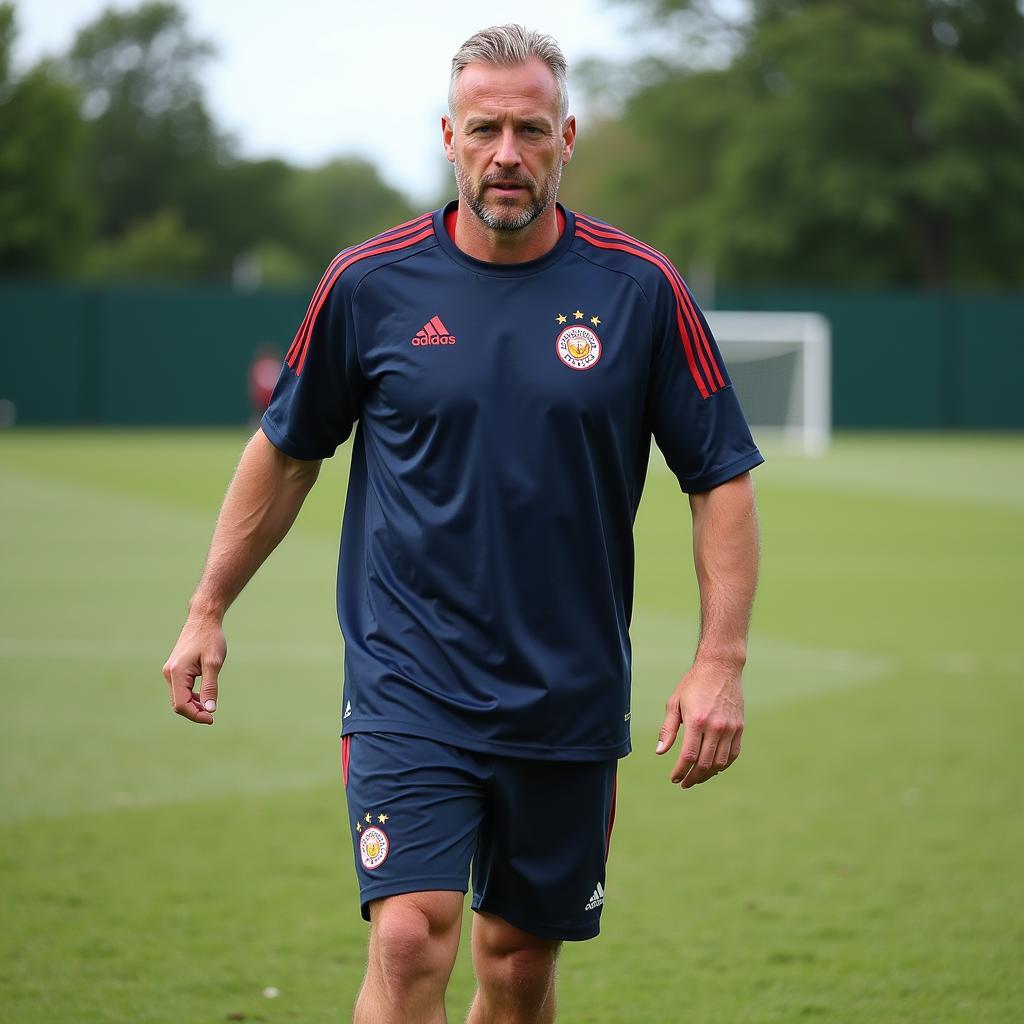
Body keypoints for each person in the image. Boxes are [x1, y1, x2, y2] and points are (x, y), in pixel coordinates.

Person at [163, 24, 762, 1024]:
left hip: (565, 690)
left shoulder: (641, 288)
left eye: (530, 130)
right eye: (485, 129)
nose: (507, 155)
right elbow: (286, 449)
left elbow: (720, 475)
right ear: (449, 134)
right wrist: (206, 605)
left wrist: (721, 659)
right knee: (407, 938)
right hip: (410, 678)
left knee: (518, 967)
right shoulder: (369, 283)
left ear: (566, 135)